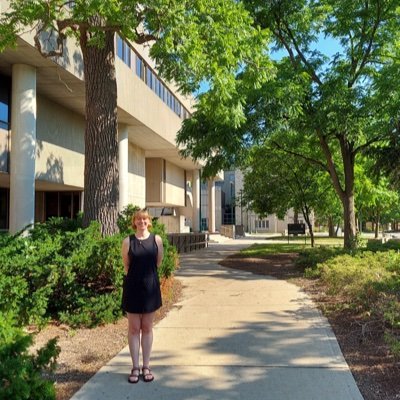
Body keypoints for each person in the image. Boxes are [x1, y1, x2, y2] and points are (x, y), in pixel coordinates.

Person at [121, 209, 164, 384]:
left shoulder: (156, 240)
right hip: (133, 288)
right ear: (134, 222)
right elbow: (126, 264)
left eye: (144, 219)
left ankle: (146, 366)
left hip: (150, 288)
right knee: (133, 328)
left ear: (149, 221)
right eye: (138, 219)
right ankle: (135, 367)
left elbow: (158, 262)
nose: (142, 221)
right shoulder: (127, 241)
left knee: (147, 328)